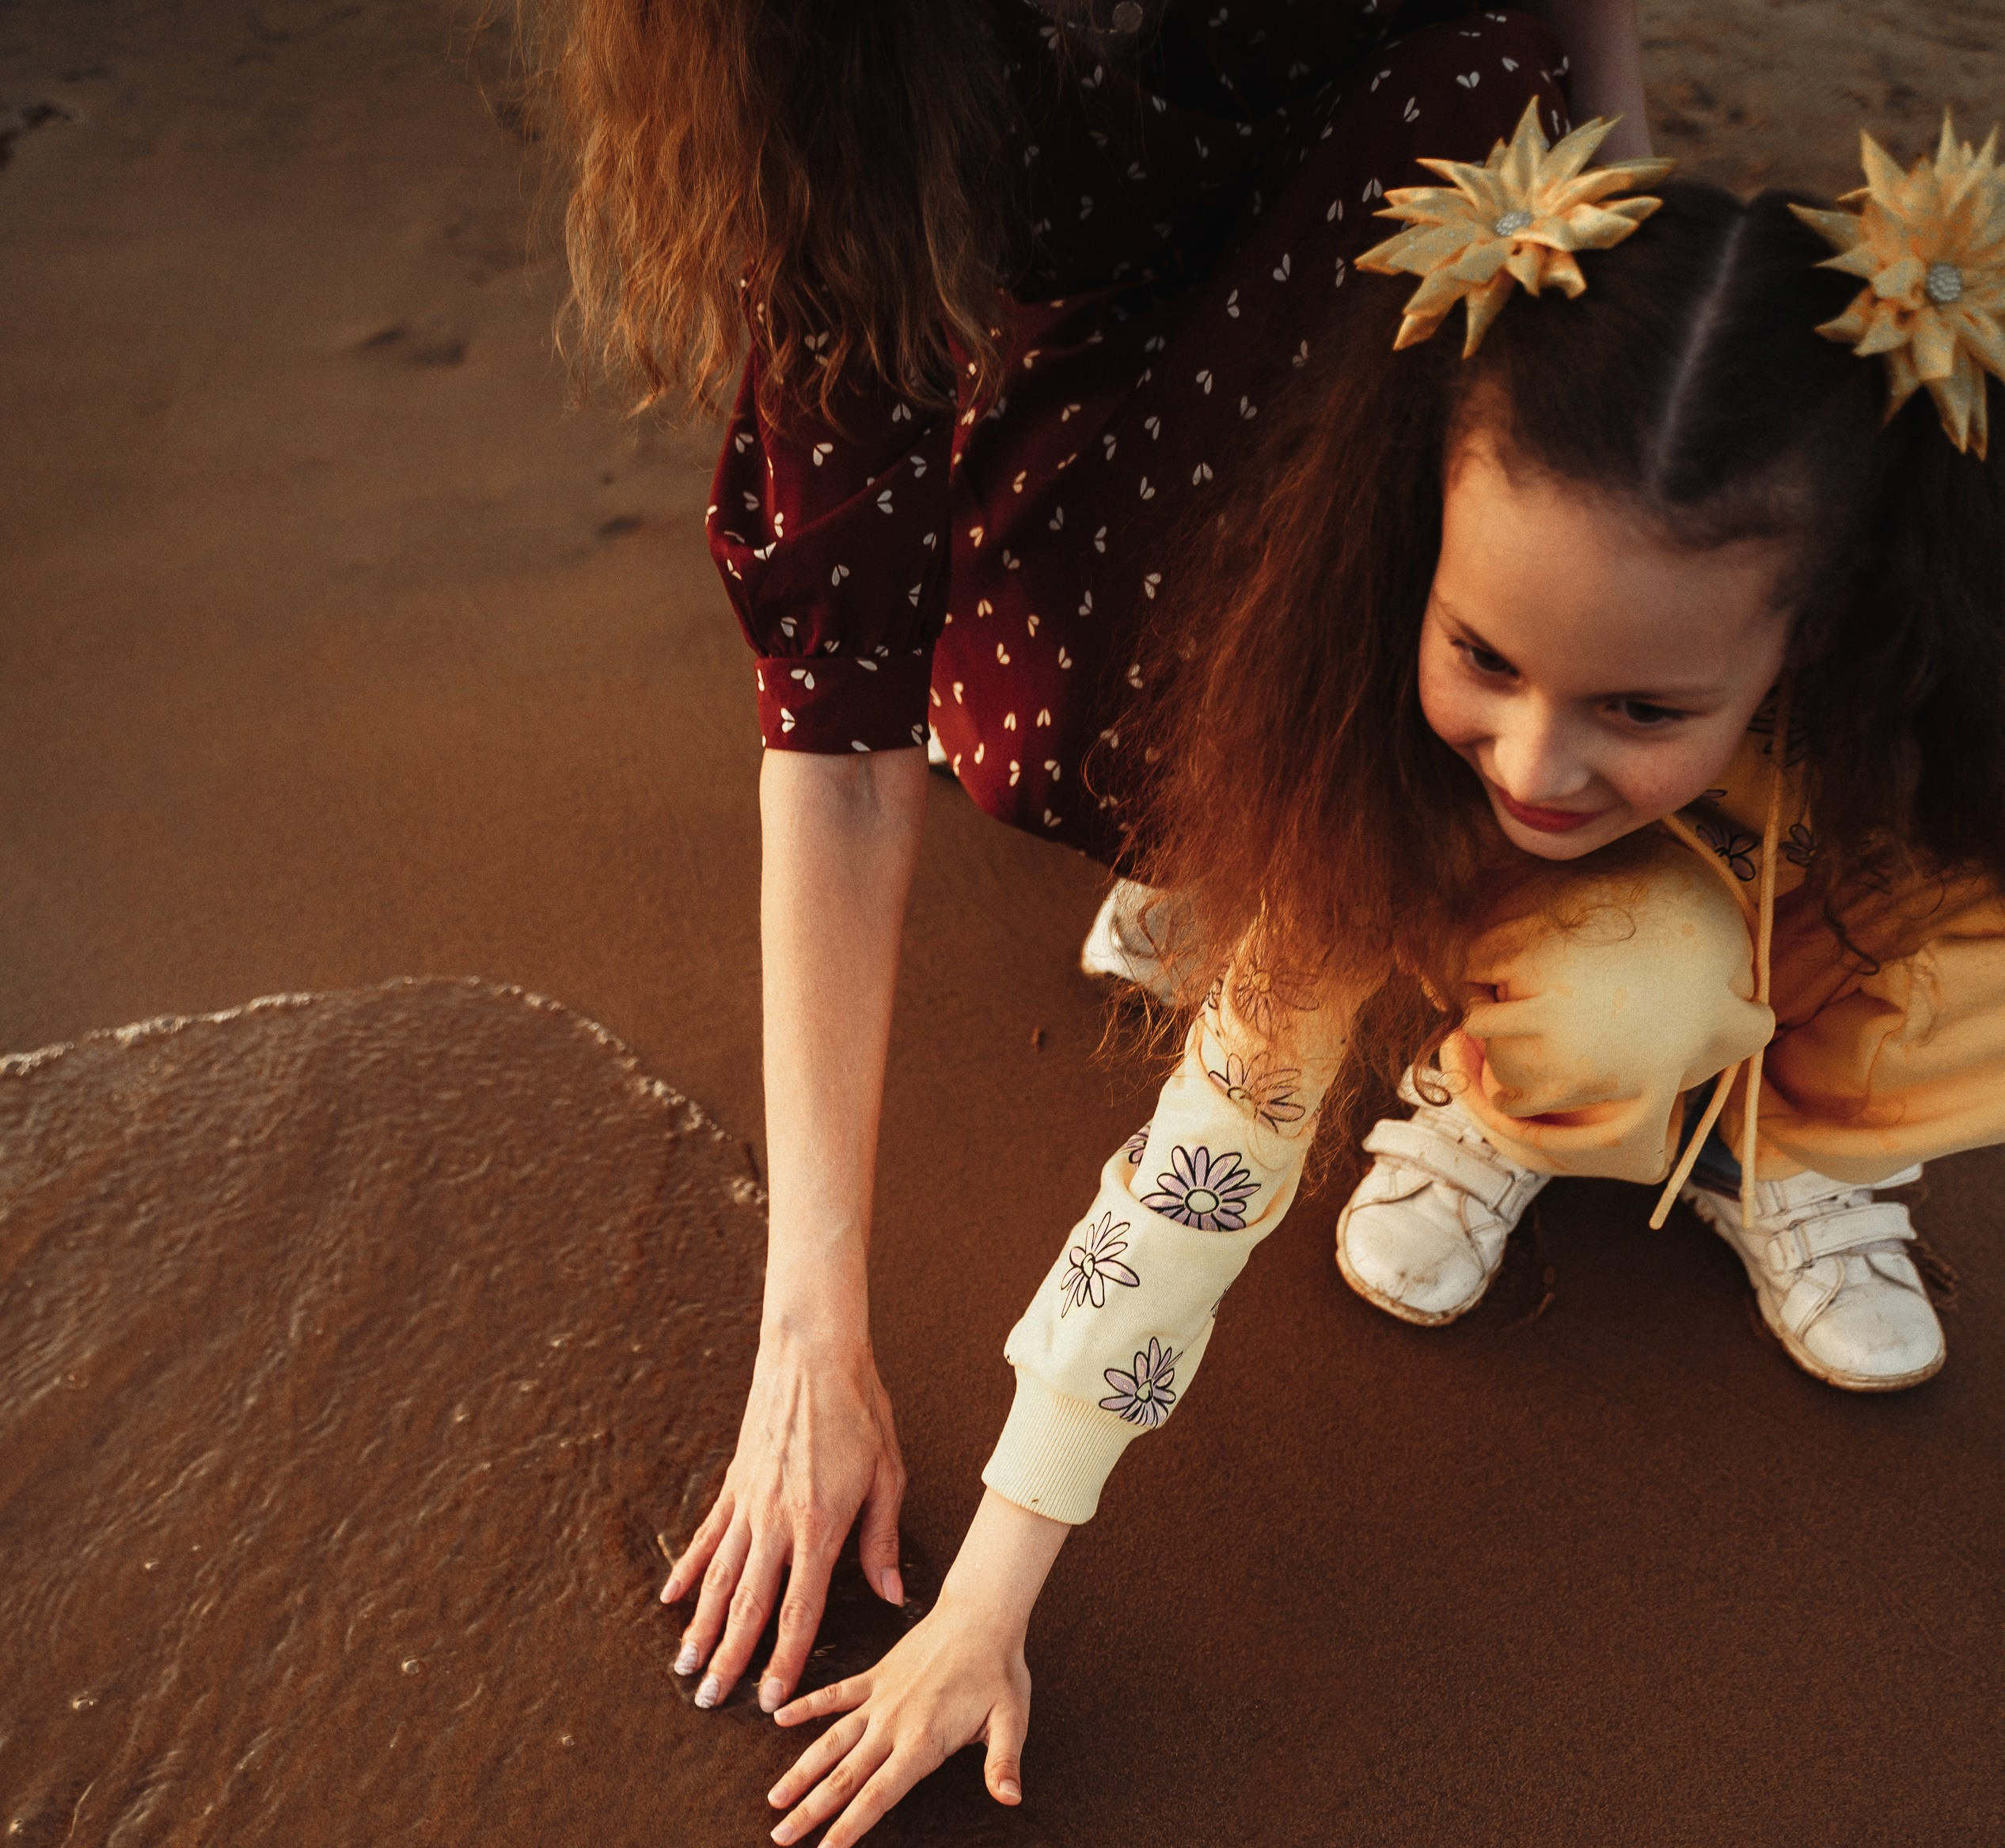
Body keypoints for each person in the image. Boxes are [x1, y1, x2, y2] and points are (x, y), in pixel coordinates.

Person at [758, 112, 2005, 1848]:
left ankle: (1787, 1153)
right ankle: (1501, 1100)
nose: (1537, 760)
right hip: (1546, 925)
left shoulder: (1929, 683)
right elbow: (1201, 1170)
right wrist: (983, 1602)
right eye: (1483, 656)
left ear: (1831, 620)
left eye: (1640, 704)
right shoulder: (1382, 755)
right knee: (1630, 991)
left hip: (1828, 860)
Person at [535, 0, 1654, 1712]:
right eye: (1492, 688)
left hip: (1425, 167)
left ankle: (1642, 1079)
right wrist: (813, 1337)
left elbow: (1227, 1128)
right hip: (1153, 336)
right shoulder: (848, 62)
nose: (1544, 758)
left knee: (1634, 976)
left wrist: (1624, 218)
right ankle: (1328, 807)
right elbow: (838, 710)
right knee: (1069, 747)